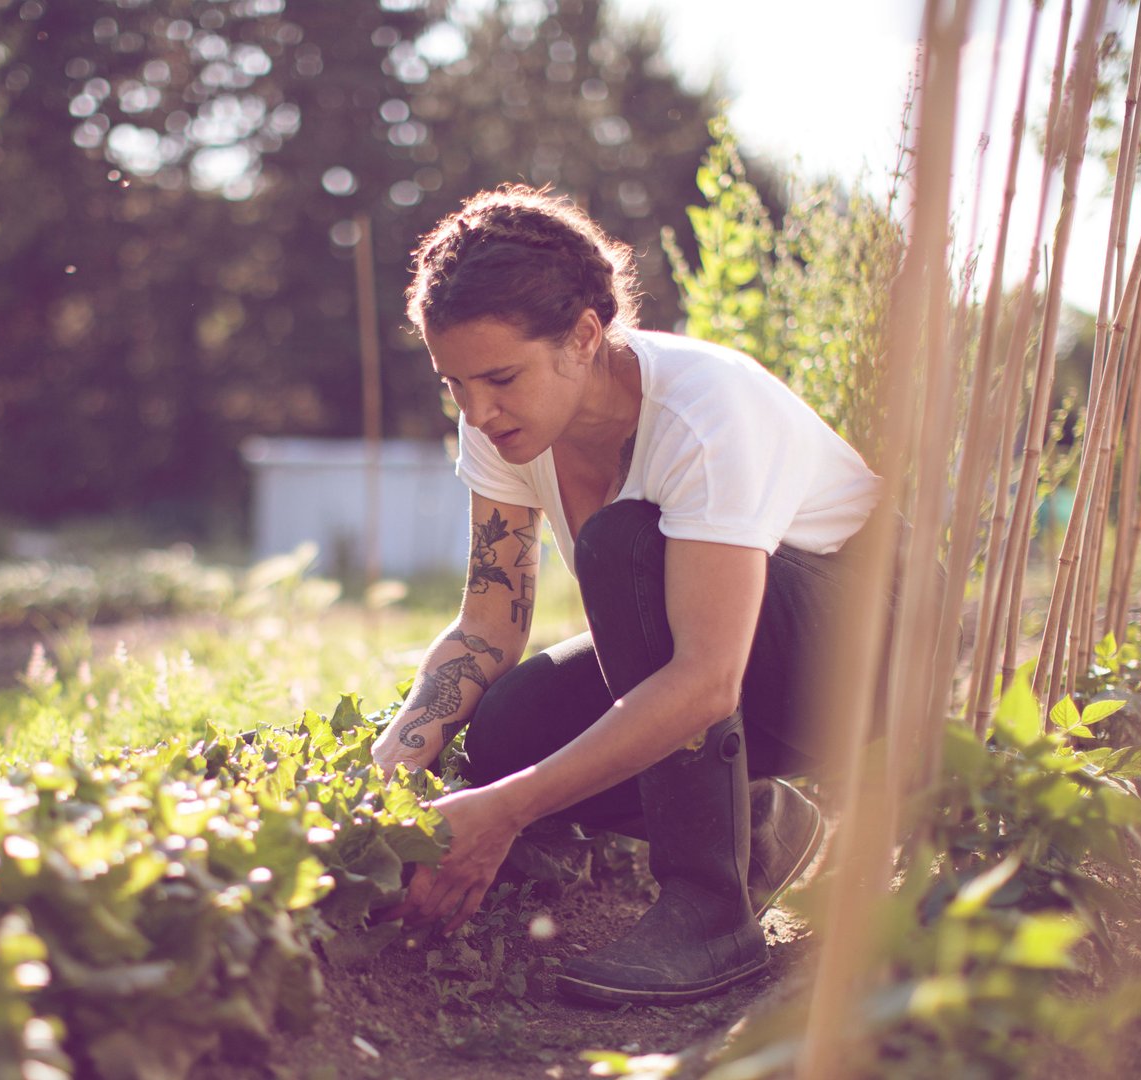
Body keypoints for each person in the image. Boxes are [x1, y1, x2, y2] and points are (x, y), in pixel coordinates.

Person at [368, 184, 885, 1005]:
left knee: (622, 546)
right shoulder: (502, 426)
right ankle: (759, 825)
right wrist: (385, 773)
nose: (477, 410)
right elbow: (486, 626)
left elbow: (710, 678)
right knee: (507, 731)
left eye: (499, 377)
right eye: (455, 384)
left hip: (869, 650)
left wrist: (503, 814)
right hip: (741, 662)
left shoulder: (704, 412)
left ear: (583, 336)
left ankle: (712, 909)